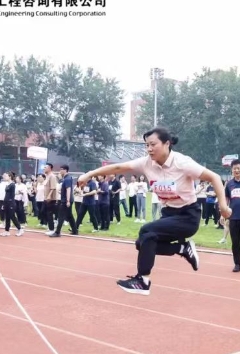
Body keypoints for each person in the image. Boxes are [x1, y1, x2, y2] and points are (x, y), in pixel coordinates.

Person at [78, 126, 231, 295]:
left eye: (153, 144)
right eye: (147, 145)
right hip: (168, 214)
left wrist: (223, 206)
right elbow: (118, 168)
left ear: (167, 144)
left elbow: (214, 177)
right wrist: (89, 174)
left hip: (188, 216)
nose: (149, 149)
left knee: (146, 231)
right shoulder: (146, 163)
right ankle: (182, 249)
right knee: (142, 243)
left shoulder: (182, 162)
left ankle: (142, 280)